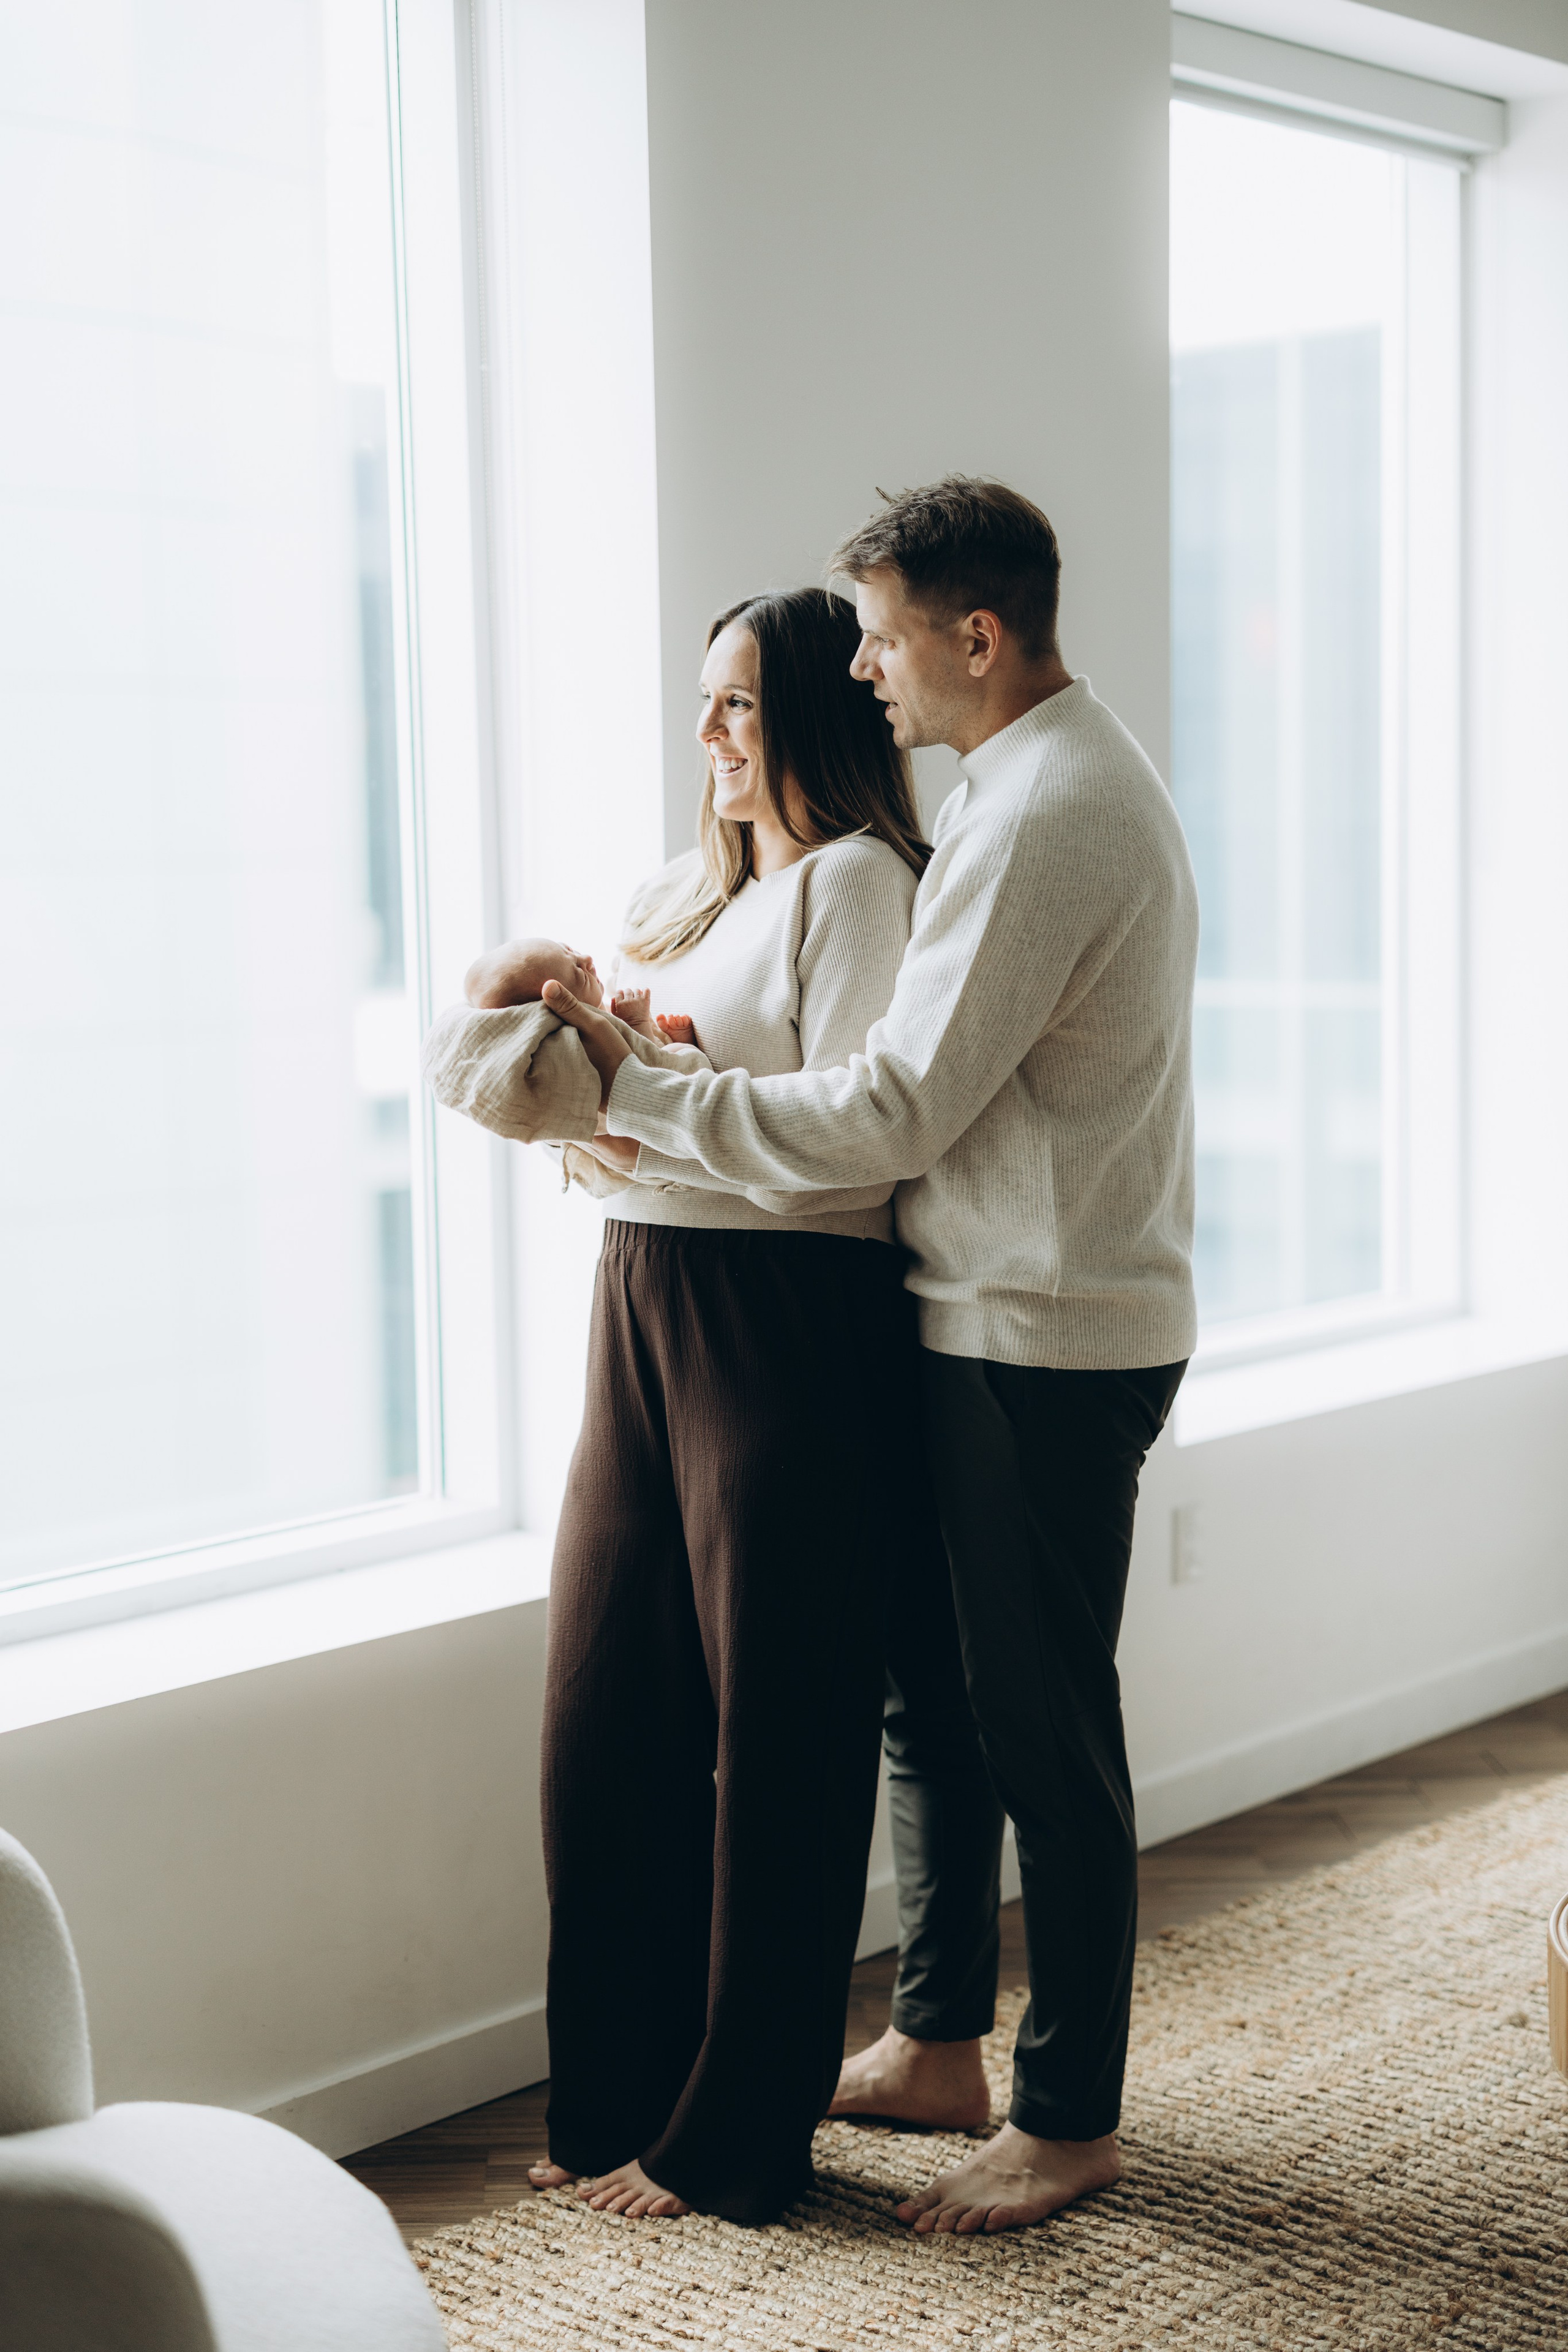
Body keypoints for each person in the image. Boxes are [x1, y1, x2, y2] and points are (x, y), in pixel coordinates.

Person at [542, 477, 1200, 2237]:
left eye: (889, 640)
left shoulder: (1044, 811)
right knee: (935, 1705)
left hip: (1042, 1331)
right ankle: (935, 2043)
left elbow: (897, 1106)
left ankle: (1066, 2119)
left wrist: (640, 1087)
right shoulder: (1018, 791)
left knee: (1040, 1734)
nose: (872, 676)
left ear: (973, 637)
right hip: (968, 1312)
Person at [526, 584, 943, 2225]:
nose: (709, 734)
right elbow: (607, 1133)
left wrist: (651, 1103)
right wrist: (598, 1108)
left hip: (790, 1326)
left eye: (741, 704)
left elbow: (857, 1146)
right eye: (704, 702)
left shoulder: (855, 888)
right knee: (601, 1718)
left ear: (814, 720)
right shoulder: (681, 902)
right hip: (636, 1303)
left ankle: (735, 2134)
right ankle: (616, 2086)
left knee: (781, 1741)